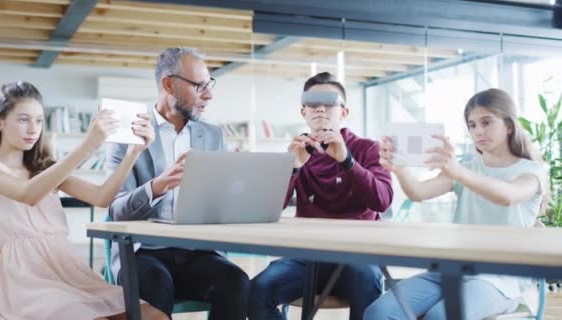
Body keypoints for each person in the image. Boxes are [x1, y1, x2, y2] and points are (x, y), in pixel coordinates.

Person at [0, 81, 167, 320]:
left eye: (39, 120)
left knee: (154, 316)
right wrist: (88, 146)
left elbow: (101, 197)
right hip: (27, 281)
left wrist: (134, 153)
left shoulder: (45, 168)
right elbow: (26, 194)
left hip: (69, 268)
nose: (33, 129)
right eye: (23, 119)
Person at [364, 88, 548, 319]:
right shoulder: (466, 166)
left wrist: (459, 172)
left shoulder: (531, 171)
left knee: (439, 317)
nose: (478, 131)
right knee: (378, 312)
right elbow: (419, 193)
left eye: (486, 122)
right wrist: (399, 169)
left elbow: (508, 196)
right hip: (450, 270)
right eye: (472, 125)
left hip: (500, 278)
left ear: (509, 125)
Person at [106, 47, 250, 320]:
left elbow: (217, 205)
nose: (209, 95)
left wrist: (236, 190)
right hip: (144, 253)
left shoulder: (213, 134)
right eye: (199, 86)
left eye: (209, 85)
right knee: (156, 287)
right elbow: (116, 211)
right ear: (168, 84)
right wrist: (157, 186)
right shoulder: (128, 135)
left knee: (237, 282)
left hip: (198, 252)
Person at [248, 72, 393, 320]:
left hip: (357, 255)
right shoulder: (297, 150)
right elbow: (268, 208)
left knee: (367, 281)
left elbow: (382, 200)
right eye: (313, 104)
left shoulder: (367, 148)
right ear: (303, 112)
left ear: (344, 112)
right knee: (256, 291)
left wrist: (347, 161)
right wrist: (293, 167)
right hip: (306, 256)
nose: (321, 110)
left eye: (329, 103)